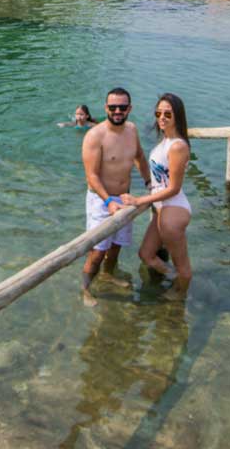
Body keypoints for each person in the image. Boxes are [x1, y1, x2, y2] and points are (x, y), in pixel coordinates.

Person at [80, 87, 152, 307]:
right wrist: (109, 202)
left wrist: (150, 183)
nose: (118, 111)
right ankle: (84, 289)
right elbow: (91, 175)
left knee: (116, 247)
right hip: (101, 201)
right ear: (106, 109)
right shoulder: (95, 136)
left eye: (122, 107)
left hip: (125, 199)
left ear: (129, 108)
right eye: (113, 107)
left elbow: (139, 156)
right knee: (97, 252)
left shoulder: (132, 130)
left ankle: (107, 275)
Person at [132, 93, 193, 291]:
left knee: (183, 267)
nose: (162, 117)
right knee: (146, 254)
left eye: (168, 113)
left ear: (178, 116)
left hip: (173, 210)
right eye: (159, 113)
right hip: (162, 209)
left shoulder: (178, 146)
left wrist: (141, 199)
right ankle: (174, 279)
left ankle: (179, 300)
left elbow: (174, 188)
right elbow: (160, 180)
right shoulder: (165, 142)